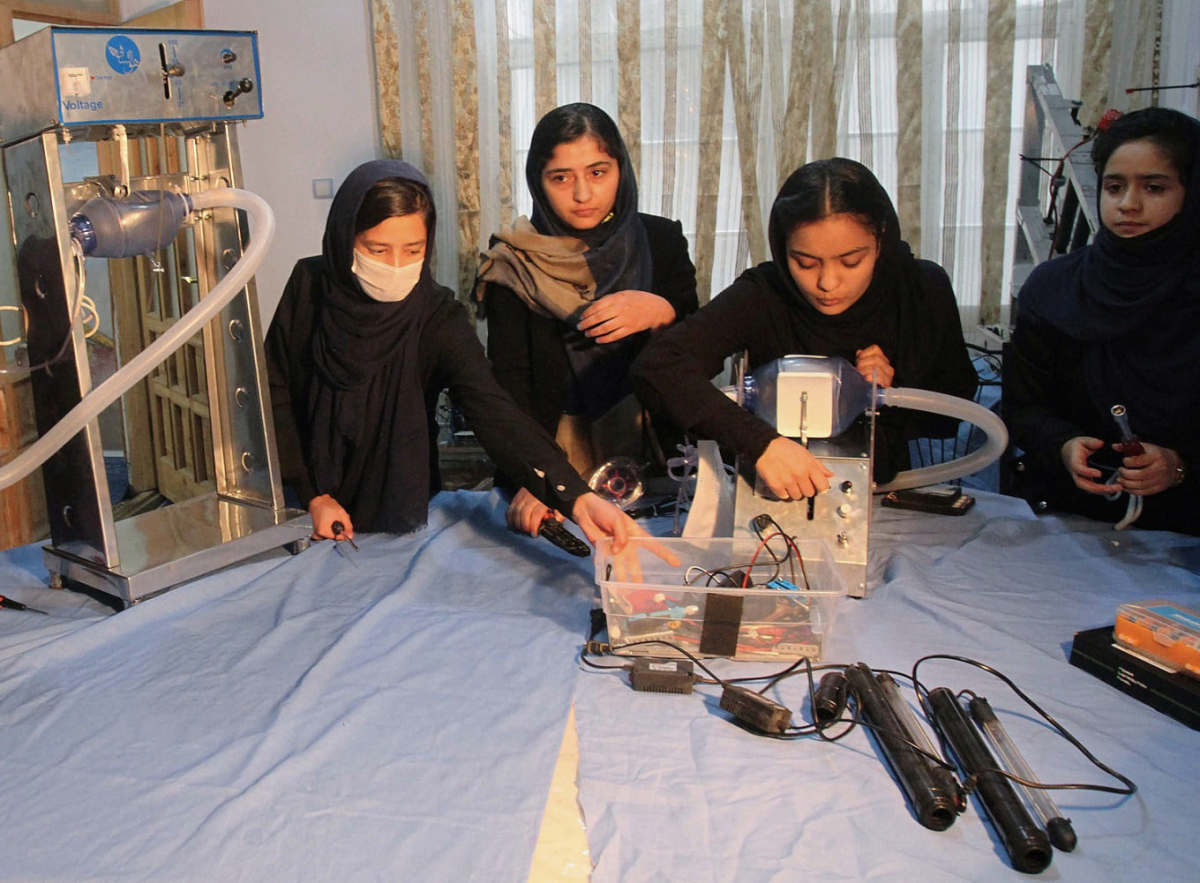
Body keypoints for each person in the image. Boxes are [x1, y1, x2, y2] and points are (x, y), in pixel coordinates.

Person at [265, 159, 644, 550]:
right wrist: (311, 494)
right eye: (377, 249)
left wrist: (574, 495)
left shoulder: (437, 315)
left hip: (397, 501)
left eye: (413, 250)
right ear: (345, 238)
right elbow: (274, 393)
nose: (395, 267)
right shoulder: (309, 287)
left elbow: (491, 407)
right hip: (300, 495)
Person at [630, 157, 978, 499]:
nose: (827, 283)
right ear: (783, 247)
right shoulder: (765, 294)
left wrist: (890, 390)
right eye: (805, 263)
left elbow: (951, 410)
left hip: (889, 496)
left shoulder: (920, 289)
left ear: (881, 240)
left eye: (851, 261)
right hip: (771, 497)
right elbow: (659, 365)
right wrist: (759, 443)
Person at [476, 103, 698, 535]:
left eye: (598, 172)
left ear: (621, 169)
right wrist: (540, 478)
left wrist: (664, 312)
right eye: (561, 178)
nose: (582, 194)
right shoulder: (512, 265)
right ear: (538, 181)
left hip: (660, 465)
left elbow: (702, 356)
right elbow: (510, 393)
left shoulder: (661, 242)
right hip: (555, 468)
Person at [1004, 107, 1199, 534]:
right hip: (1071, 519)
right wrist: (1063, 444)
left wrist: (1178, 465)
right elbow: (1022, 407)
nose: (1128, 204)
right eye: (1114, 187)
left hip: (1186, 534)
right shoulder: (1056, 289)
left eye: (1154, 187)